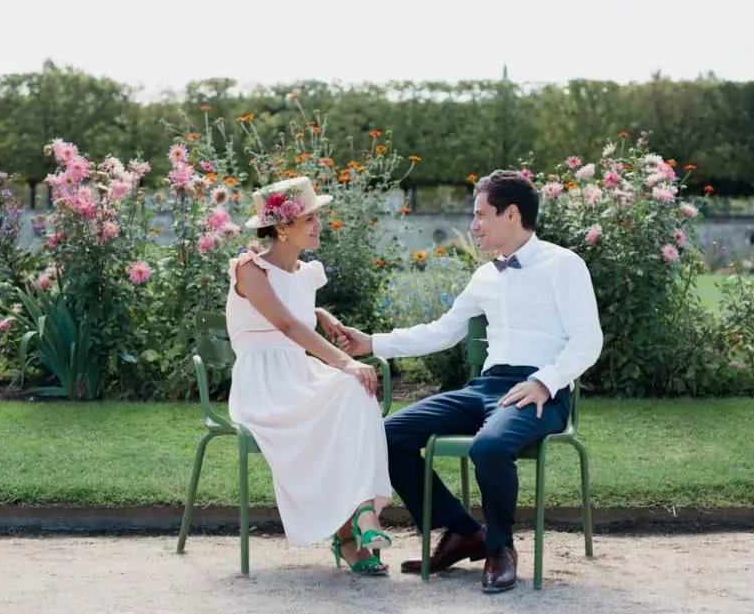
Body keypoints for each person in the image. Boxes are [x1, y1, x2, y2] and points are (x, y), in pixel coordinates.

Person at [336, 169, 604, 593]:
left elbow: (588, 340)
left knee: (490, 447)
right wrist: (370, 342)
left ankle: (500, 548)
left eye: (480, 215)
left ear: (511, 214)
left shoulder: (564, 265)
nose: (473, 226)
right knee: (385, 434)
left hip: (539, 391)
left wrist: (545, 382)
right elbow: (443, 331)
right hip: (485, 387)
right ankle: (463, 531)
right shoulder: (486, 275)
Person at [225, 176, 393, 576]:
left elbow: (296, 308)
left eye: (317, 218)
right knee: (350, 379)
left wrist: (321, 314)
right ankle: (349, 532)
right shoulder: (249, 270)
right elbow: (284, 324)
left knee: (356, 391)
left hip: (299, 374)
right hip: (264, 383)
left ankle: (365, 513)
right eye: (310, 219)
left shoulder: (305, 272)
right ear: (283, 228)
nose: (319, 226)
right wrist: (346, 361)